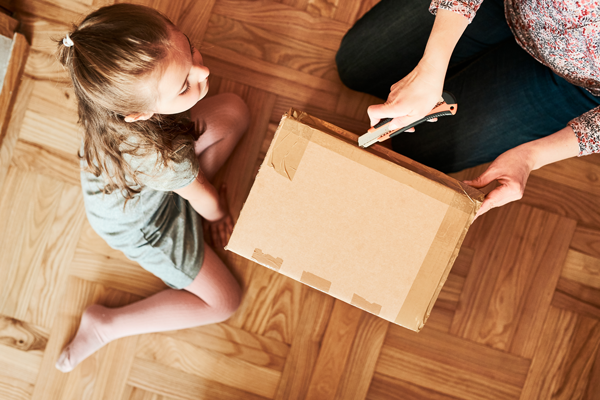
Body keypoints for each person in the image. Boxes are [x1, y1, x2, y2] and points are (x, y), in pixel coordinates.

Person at [54, 3, 250, 373]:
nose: (203, 71)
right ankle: (106, 325)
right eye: (183, 85)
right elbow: (208, 201)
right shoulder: (164, 157)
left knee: (235, 111)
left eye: (188, 48)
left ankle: (182, 190)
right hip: (143, 228)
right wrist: (219, 211)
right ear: (141, 114)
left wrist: (179, 87)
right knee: (226, 300)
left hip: (147, 180)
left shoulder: (108, 101)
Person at [336, 0, 600, 218]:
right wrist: (430, 67)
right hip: (503, 5)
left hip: (576, 82)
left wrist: (531, 156)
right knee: (355, 66)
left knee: (421, 149)